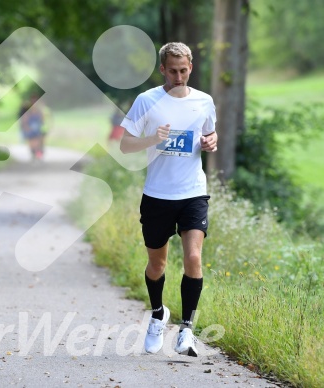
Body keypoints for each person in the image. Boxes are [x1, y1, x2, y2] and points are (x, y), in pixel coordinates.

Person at [119, 42, 218, 357]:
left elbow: (209, 136)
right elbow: (125, 146)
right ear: (162, 69)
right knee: (156, 264)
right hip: (158, 195)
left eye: (184, 70)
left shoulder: (204, 101)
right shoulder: (147, 101)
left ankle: (187, 330)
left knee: (193, 259)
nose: (179, 76)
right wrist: (153, 139)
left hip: (193, 192)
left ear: (191, 67)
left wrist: (210, 142)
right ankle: (159, 313)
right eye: (173, 70)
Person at [19, 94, 47, 161]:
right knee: (32, 144)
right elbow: (24, 119)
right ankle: (34, 155)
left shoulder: (39, 110)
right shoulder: (28, 109)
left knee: (38, 144)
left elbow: (42, 119)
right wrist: (26, 127)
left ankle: (39, 156)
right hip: (30, 129)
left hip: (37, 130)